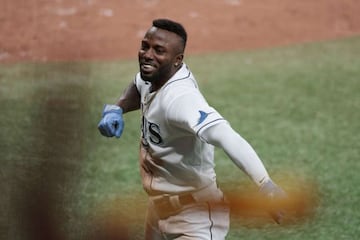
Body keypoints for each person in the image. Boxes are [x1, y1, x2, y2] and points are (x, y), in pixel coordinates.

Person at [98, 18, 285, 240]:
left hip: (194, 217)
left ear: (177, 60)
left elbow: (225, 136)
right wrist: (117, 109)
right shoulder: (155, 74)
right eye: (145, 46)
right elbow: (139, 84)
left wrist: (264, 183)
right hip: (158, 208)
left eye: (159, 50)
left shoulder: (181, 98)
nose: (147, 54)